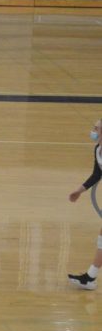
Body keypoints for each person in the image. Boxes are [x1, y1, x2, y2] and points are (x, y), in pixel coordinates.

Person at [66, 117, 102, 290]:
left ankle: (90, 277)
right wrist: (78, 191)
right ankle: (90, 277)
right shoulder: (98, 149)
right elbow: (96, 174)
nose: (93, 131)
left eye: (96, 128)